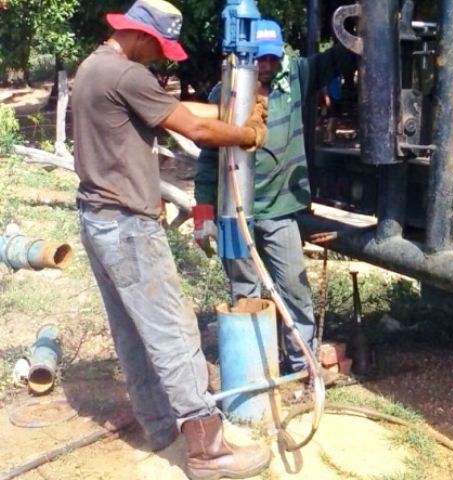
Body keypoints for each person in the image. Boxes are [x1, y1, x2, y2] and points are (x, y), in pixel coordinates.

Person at [71, 1, 270, 479]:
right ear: (141, 36)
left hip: (98, 219)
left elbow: (177, 111)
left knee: (132, 330)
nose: (160, 57)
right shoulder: (127, 75)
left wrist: (237, 112)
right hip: (128, 228)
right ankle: (209, 452)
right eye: (159, 47)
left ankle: (160, 426)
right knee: (174, 331)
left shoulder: (95, 68)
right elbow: (197, 128)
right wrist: (246, 134)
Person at [194, 19, 356, 374]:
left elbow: (341, 58)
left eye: (271, 58)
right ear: (244, 58)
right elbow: (208, 160)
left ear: (281, 54)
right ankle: (254, 368)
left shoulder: (297, 77)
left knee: (294, 292)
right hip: (234, 214)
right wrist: (203, 214)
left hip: (280, 211)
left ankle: (301, 368)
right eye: (259, 60)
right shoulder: (225, 94)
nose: (266, 66)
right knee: (246, 292)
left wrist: (363, 23)